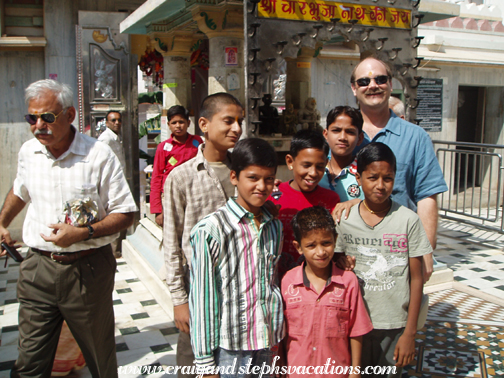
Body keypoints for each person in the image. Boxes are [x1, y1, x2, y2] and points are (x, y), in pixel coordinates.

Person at [0, 79, 137, 377]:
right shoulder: (28, 152)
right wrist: (1, 222)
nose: (39, 125)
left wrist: (84, 233)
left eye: (47, 117)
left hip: (87, 270)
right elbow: (20, 190)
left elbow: (126, 213)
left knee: (99, 358)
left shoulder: (98, 155)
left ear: (70, 115)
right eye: (31, 118)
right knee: (30, 361)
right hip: (37, 267)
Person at [163, 92, 243, 378]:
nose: (236, 128)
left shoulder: (244, 172)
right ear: (204, 125)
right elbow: (171, 242)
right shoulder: (182, 176)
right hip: (197, 283)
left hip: (238, 284)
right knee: (193, 362)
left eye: (240, 121)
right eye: (229, 121)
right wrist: (179, 299)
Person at [348, 56, 448, 282]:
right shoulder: (342, 136)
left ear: (391, 85)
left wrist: (425, 250)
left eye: (380, 79)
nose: (372, 85)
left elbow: (426, 196)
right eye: (364, 81)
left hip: (399, 251)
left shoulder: (416, 137)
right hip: (349, 251)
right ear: (354, 88)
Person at [335, 142, 431, 377]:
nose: (380, 185)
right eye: (372, 177)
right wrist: (339, 260)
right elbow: (333, 260)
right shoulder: (344, 218)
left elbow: (417, 279)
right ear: (358, 178)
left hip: (394, 326)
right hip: (353, 324)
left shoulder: (408, 220)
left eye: (387, 178)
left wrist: (410, 333)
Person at [189, 138, 283, 377]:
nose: (261, 186)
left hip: (267, 341)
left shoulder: (274, 227)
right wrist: (205, 364)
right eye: (253, 178)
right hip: (231, 349)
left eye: (268, 179)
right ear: (234, 177)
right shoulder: (211, 230)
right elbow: (203, 302)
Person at [281, 206, 373, 378]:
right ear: (298, 247)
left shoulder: (348, 281)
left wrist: (355, 371)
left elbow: (356, 330)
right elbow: (283, 332)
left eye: (326, 243)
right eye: (311, 245)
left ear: (335, 240)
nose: (321, 252)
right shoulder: (288, 282)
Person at [269, 130, 340, 275]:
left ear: (326, 164)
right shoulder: (273, 196)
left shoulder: (331, 200)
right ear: (290, 162)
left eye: (319, 167)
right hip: (278, 280)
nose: (313, 173)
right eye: (306, 165)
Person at [150, 105, 203, 226]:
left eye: (181, 122)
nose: (178, 126)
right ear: (168, 125)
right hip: (170, 195)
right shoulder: (163, 147)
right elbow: (157, 177)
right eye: (174, 123)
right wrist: (157, 210)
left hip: (194, 193)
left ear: (188, 123)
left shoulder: (197, 142)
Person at [320, 106, 365, 203]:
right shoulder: (315, 171)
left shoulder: (366, 173)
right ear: (326, 135)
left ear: (360, 138)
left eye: (350, 132)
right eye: (336, 130)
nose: (342, 137)